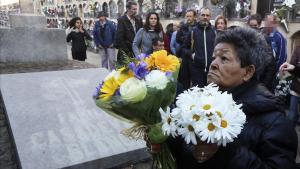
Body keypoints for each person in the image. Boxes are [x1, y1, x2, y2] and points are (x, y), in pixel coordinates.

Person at [167, 27, 298, 169]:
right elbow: (186, 154)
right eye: (213, 58)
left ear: (248, 72)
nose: (213, 64)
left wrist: (227, 150)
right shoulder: (197, 105)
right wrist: (166, 139)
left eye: (224, 59)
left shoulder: (275, 122)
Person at [182, 7, 216, 88]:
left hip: (211, 71)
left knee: (210, 95)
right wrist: (192, 55)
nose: (205, 17)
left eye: (207, 15)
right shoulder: (193, 31)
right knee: (198, 95)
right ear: (198, 16)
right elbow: (184, 48)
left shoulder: (213, 32)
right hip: (196, 71)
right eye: (203, 15)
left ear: (210, 17)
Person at [247, 14, 276, 92]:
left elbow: (271, 65)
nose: (253, 28)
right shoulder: (245, 39)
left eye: (255, 25)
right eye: (251, 26)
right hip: (247, 80)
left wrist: (263, 85)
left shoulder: (264, 39)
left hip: (261, 81)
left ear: (259, 25)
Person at [176, 9, 197, 90]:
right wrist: (185, 40)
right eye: (187, 16)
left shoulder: (197, 27)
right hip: (184, 55)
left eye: (190, 16)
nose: (188, 18)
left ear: (194, 17)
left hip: (194, 56)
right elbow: (178, 39)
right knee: (184, 78)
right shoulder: (183, 27)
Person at [280, 46, 300, 126]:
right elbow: (292, 68)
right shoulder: (298, 49)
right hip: (296, 88)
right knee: (292, 116)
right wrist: (293, 68)